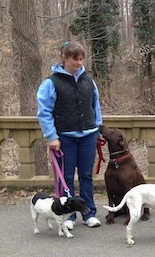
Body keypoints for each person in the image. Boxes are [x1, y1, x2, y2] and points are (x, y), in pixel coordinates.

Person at [36, 41, 102, 229]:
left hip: (88, 135)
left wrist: (97, 128)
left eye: (81, 59)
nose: (79, 62)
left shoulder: (89, 81)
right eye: (75, 59)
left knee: (86, 175)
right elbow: (44, 112)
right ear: (64, 57)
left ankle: (89, 212)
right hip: (64, 136)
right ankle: (69, 216)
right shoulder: (51, 83)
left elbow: (95, 106)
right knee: (65, 177)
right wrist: (51, 136)